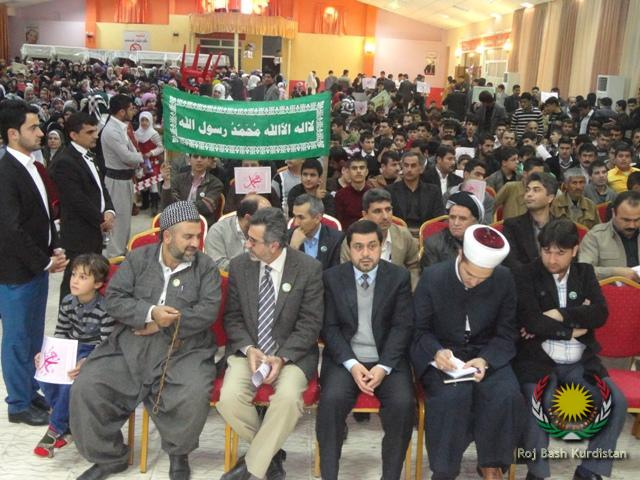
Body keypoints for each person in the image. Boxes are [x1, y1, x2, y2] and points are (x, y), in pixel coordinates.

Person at [70, 201, 222, 480]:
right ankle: (109, 457)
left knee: (193, 392)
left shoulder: (206, 267)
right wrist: (150, 314)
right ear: (167, 236)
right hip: (132, 343)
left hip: (184, 348)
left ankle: (179, 454)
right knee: (88, 385)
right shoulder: (138, 259)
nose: (195, 243)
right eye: (188, 236)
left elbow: (208, 310)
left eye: (197, 236)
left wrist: (167, 323)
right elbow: (114, 298)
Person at [513, 219, 628, 480]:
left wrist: (558, 314)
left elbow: (599, 314)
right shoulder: (525, 274)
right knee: (539, 401)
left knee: (615, 401)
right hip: (539, 361)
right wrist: (572, 328)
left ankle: (590, 470)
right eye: (547, 251)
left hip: (581, 362)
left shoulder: (585, 273)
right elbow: (531, 321)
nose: (552, 259)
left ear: (575, 250)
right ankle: (537, 473)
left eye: (560, 252)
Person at [218, 208, 324, 480]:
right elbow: (232, 317)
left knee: (288, 399)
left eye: (253, 241)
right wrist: (248, 348)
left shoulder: (308, 269)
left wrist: (282, 357)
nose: (247, 245)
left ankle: (251, 468)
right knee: (228, 399)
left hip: (292, 355)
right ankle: (271, 455)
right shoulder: (240, 266)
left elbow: (310, 324)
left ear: (274, 245)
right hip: (249, 352)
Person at [411, 225, 524, 480]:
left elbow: (507, 332)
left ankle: (492, 463)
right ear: (460, 255)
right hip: (443, 356)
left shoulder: (504, 278)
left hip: (486, 353)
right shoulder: (433, 277)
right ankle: (445, 469)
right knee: (452, 398)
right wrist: (436, 352)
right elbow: (418, 329)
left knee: (506, 395)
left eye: (483, 279)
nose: (474, 282)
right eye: (470, 274)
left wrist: (486, 360)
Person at [317, 220, 415, 480]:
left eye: (372, 246)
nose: (366, 253)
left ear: (381, 247)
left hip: (388, 360)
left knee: (403, 404)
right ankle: (329, 476)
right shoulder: (332, 278)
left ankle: (390, 476)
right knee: (330, 402)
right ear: (349, 249)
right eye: (358, 247)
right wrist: (352, 364)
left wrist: (383, 367)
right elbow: (329, 328)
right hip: (346, 360)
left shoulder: (398, 277)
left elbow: (402, 327)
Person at [0, 99, 68, 427]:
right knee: (16, 339)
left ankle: (30, 390)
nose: (41, 133)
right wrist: (43, 261)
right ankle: (18, 403)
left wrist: (55, 247)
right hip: (16, 272)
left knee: (33, 335)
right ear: (13, 134)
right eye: (33, 127)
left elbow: (43, 215)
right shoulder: (6, 173)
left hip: (37, 267)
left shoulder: (32, 165)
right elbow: (10, 229)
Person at [33, 254, 113, 458]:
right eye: (74, 275)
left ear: (98, 284)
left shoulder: (105, 307)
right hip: (70, 347)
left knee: (70, 381)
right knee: (45, 373)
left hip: (94, 350)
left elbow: (106, 343)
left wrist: (87, 360)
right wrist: (49, 354)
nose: (75, 280)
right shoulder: (68, 301)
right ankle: (67, 426)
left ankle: (55, 429)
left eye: (83, 277)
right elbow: (61, 332)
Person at [52, 112, 115, 303]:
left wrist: (109, 210)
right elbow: (76, 199)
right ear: (73, 135)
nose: (95, 135)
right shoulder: (64, 161)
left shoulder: (90, 155)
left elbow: (100, 187)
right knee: (75, 281)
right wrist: (101, 219)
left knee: (92, 278)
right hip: (77, 234)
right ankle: (66, 318)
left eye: (95, 130)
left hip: (94, 230)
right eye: (89, 132)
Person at [340, 188, 421, 289]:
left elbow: (414, 266)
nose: (385, 216)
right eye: (377, 211)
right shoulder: (353, 240)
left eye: (388, 209)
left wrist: (409, 290)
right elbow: (347, 275)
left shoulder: (403, 235)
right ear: (365, 215)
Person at [101, 94, 144, 258]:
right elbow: (127, 156)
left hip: (126, 179)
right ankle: (115, 256)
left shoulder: (122, 127)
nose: (133, 112)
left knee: (125, 220)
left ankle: (121, 253)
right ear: (121, 112)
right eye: (131, 109)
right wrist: (142, 157)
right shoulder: (111, 131)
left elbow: (132, 151)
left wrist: (137, 157)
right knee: (118, 221)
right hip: (116, 180)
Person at [579, 191, 640, 281]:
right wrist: (614, 272)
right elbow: (583, 271)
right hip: (610, 289)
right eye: (626, 220)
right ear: (613, 213)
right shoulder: (595, 236)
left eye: (637, 220)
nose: (632, 226)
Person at [503, 172, 558, 269]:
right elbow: (511, 262)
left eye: (536, 190)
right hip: (523, 276)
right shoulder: (512, 226)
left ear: (550, 198)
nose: (529, 194)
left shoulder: (561, 226)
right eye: (527, 190)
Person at [205, 194, 271, 271]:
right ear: (248, 218)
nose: (270, 219)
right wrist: (252, 267)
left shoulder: (271, 229)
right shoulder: (218, 231)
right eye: (265, 216)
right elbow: (218, 264)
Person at [421, 191, 483, 270]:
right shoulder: (433, 243)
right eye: (452, 217)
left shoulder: (485, 244)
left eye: (462, 218)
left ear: (475, 222)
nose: (456, 223)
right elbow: (431, 275)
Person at [387, 152, 444, 235]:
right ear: (402, 167)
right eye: (406, 165)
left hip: (427, 235)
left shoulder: (433, 191)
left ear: (421, 169)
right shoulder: (390, 191)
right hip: (399, 234)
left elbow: (439, 218)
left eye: (413, 166)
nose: (409, 169)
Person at [161, 153, 224, 227]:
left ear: (208, 161)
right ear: (189, 160)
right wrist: (167, 182)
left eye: (203, 157)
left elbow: (206, 207)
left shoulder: (216, 183)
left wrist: (178, 206)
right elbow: (167, 205)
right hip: (176, 223)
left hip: (202, 224)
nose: (199, 160)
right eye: (195, 156)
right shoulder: (178, 179)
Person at [288, 194, 343, 270]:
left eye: (301, 217)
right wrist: (293, 248)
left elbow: (336, 273)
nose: (295, 223)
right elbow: (284, 273)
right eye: (294, 216)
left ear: (317, 218)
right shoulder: (286, 237)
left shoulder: (336, 239)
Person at [135, 111, 164, 214]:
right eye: (142, 120)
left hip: (152, 162)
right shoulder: (136, 133)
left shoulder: (153, 134)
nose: (144, 122)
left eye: (146, 120)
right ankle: (145, 203)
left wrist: (151, 153)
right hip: (141, 163)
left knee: (153, 183)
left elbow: (161, 148)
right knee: (143, 182)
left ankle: (154, 206)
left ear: (150, 121)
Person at [335, 156, 370, 229]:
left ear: (366, 172)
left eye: (362, 168)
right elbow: (339, 222)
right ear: (348, 172)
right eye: (354, 168)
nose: (358, 171)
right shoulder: (340, 195)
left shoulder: (374, 194)